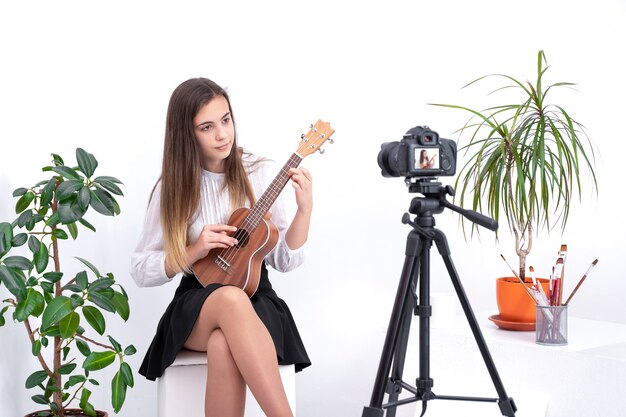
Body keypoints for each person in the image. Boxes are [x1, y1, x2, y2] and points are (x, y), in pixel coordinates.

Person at [130, 77, 312, 417]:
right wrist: (195, 250)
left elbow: (285, 260)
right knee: (229, 298)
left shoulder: (260, 172)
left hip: (257, 297)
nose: (222, 134)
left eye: (226, 120)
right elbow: (141, 269)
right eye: (207, 127)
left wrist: (304, 210)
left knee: (223, 343)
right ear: (187, 134)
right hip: (197, 300)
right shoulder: (172, 188)